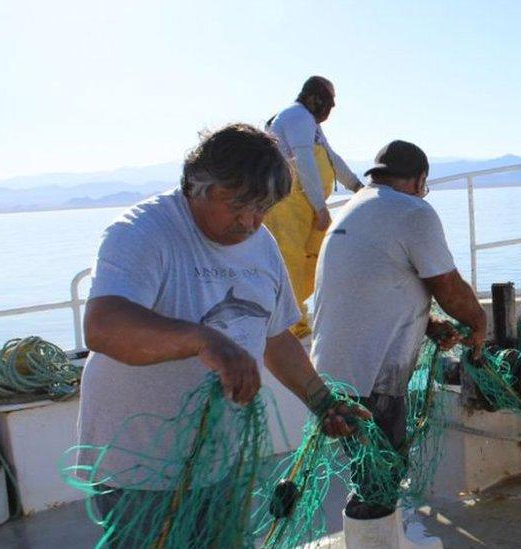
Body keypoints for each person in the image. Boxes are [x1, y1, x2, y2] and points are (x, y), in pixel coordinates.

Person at [77, 123, 366, 542]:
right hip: (141, 470)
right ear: (198, 186)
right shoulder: (142, 232)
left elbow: (274, 335)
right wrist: (205, 340)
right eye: (238, 205)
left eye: (263, 208)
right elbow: (103, 326)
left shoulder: (261, 243)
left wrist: (322, 401)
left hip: (222, 462)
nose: (250, 221)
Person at [311, 140, 487, 548]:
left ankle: (373, 540)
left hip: (330, 374)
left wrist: (428, 325)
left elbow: (378, 287)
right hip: (372, 375)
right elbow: (446, 285)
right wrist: (477, 321)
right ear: (419, 179)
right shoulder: (412, 211)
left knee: (369, 470)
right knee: (383, 470)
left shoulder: (356, 208)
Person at [264, 76, 364, 338]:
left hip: (303, 205)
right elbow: (304, 161)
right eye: (329, 102)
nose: (330, 110)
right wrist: (320, 207)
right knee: (292, 263)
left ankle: (295, 318)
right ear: (313, 99)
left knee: (313, 260)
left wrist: (357, 186)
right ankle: (289, 328)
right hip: (287, 205)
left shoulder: (310, 124)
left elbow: (332, 158)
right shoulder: (297, 117)